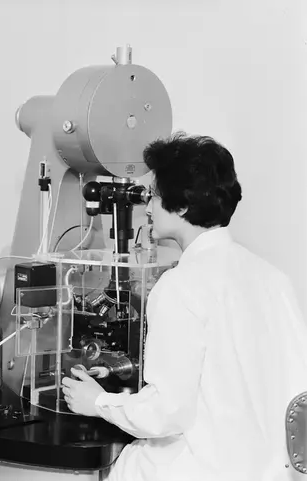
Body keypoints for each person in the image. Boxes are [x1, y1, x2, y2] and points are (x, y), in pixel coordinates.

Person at [61, 133, 307, 481]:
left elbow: (166, 413)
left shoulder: (180, 285)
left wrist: (98, 402)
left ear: (181, 206)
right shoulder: (274, 279)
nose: (147, 208)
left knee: (127, 466)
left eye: (154, 195)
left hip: (202, 469)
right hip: (272, 472)